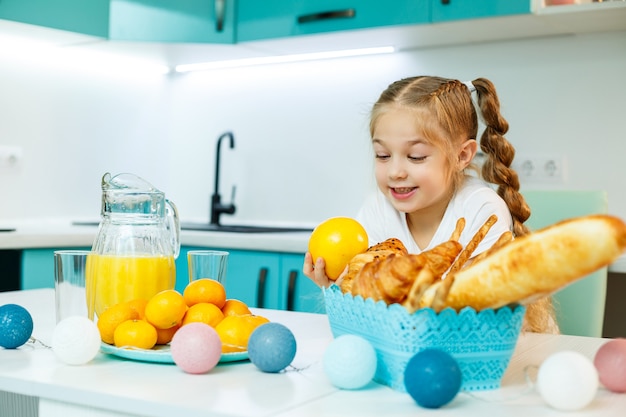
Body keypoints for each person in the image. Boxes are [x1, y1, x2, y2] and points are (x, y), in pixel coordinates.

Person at [303, 75, 558, 334]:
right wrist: (342, 286)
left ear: (462, 156)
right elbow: (373, 317)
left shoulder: (482, 210)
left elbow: (475, 320)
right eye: (383, 155)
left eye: (415, 156)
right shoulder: (377, 210)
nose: (395, 171)